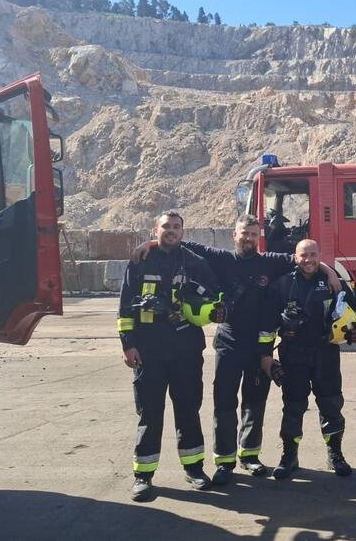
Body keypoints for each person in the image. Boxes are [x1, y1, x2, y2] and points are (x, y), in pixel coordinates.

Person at [133, 215, 340, 485]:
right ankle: (225, 461)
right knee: (224, 403)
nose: (249, 238)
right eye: (244, 233)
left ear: (258, 237)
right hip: (228, 344)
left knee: (254, 404)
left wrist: (329, 271)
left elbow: (304, 259)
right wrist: (152, 242)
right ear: (235, 235)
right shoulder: (220, 258)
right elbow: (183, 243)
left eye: (253, 234)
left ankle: (250, 455)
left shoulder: (270, 261)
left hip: (258, 347)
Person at [117, 211, 221, 502]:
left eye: (176, 227)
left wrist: (195, 303)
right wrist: (128, 344)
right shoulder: (140, 261)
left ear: (183, 232)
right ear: (155, 230)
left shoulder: (195, 263)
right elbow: (125, 307)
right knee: (149, 414)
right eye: (166, 226)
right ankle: (143, 475)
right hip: (148, 352)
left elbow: (215, 297)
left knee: (188, 410)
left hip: (186, 351)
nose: (171, 231)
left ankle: (194, 469)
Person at [258, 239, 356, 479]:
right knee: (293, 406)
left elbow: (354, 310)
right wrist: (265, 356)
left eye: (313, 254)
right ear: (295, 257)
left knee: (331, 405)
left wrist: (355, 329)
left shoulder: (334, 282)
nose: (309, 260)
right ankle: (289, 455)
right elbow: (266, 325)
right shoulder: (282, 285)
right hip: (293, 355)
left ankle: (335, 454)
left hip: (326, 354)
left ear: (319, 256)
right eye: (303, 255)